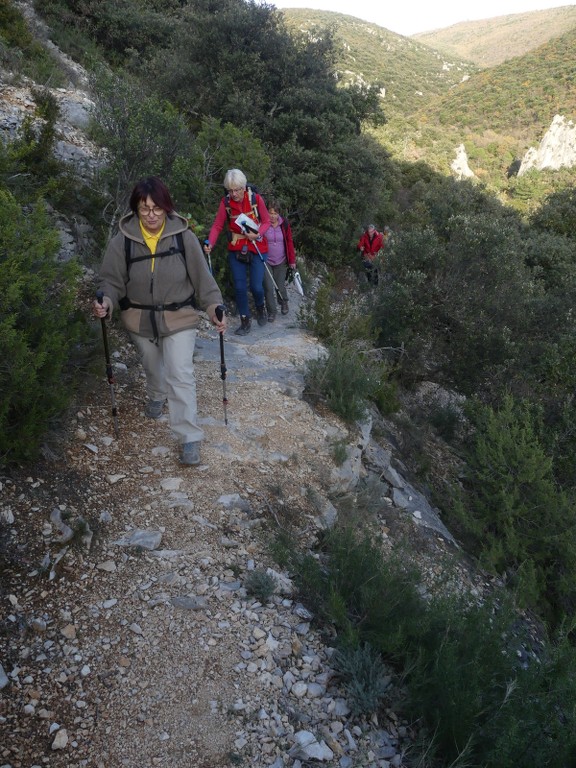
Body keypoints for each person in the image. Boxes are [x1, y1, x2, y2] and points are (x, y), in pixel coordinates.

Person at [92, 176, 227, 466]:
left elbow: (204, 280)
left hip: (179, 316)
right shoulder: (123, 240)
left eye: (156, 208)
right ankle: (156, 394)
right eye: (145, 209)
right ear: (135, 209)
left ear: (166, 207)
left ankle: (189, 437)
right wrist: (105, 301)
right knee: (152, 365)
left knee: (180, 371)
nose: (151, 215)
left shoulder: (183, 236)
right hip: (139, 318)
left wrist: (214, 307)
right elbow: (111, 281)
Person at [204, 169, 270, 335]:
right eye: (230, 190)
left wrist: (258, 234)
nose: (233, 194)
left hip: (256, 245)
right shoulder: (225, 203)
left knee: (256, 286)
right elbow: (218, 225)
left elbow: (267, 221)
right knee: (240, 287)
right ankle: (245, 320)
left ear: (244, 187)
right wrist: (210, 243)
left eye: (237, 190)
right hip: (236, 247)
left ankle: (261, 308)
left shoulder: (256, 199)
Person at [262, 200, 296, 321]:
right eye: (270, 213)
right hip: (266, 260)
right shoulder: (263, 224)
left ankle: (284, 301)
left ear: (279, 214)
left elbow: (290, 242)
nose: (272, 216)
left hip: (281, 260)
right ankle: (272, 311)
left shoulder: (284, 224)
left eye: (275, 213)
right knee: (268, 286)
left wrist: (292, 260)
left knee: (280, 285)